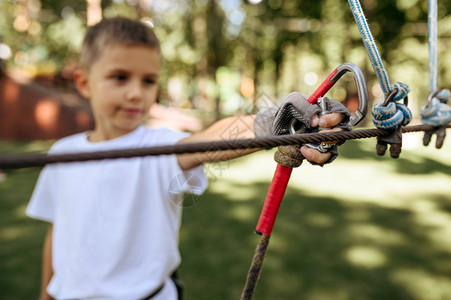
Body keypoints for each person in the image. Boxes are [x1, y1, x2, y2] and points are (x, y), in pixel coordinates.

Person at [27, 17, 350, 300]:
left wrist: (272, 122)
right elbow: (58, 229)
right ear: (84, 82)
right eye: (120, 77)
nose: (137, 93)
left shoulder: (160, 146)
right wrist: (46, 293)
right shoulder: (61, 153)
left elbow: (209, 141)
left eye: (148, 80)